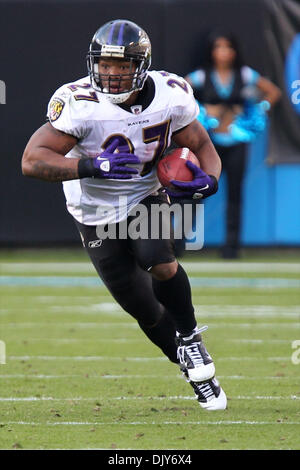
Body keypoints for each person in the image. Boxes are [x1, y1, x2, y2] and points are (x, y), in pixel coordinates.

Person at [21, 19, 226, 410]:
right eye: (105, 64)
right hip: (93, 211)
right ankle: (192, 370)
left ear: (141, 65)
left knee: (158, 261)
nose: (112, 74)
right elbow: (32, 161)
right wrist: (90, 166)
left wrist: (209, 181)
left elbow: (200, 142)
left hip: (143, 196)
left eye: (122, 65)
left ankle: (190, 337)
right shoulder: (79, 103)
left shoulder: (171, 95)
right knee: (143, 309)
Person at [185, 31, 281, 259]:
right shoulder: (201, 76)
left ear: (235, 51)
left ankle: (231, 246)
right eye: (219, 47)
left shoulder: (245, 74)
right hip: (209, 143)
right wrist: (204, 111)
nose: (224, 53)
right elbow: (179, 92)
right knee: (197, 190)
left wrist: (254, 112)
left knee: (235, 194)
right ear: (211, 51)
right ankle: (178, 242)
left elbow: (273, 93)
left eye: (228, 47)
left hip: (237, 141)